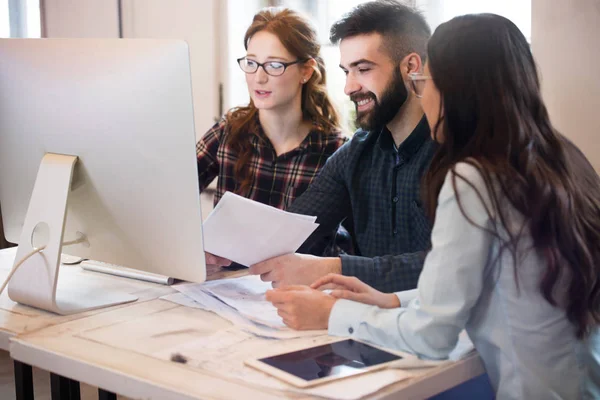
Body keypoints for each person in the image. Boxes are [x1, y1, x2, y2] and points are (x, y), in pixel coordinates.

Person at [266, 13, 600, 399]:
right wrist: (391, 299)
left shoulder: (473, 179)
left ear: (458, 90)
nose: (424, 97)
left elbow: (433, 335)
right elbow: (484, 280)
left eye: (429, 84)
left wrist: (330, 314)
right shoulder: (558, 156)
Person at [249, 0, 436, 292]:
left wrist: (336, 268)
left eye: (362, 69)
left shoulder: (457, 153)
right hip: (364, 323)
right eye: (346, 71)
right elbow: (293, 232)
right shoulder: (355, 154)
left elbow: (451, 269)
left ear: (411, 67)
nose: (349, 87)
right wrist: (223, 254)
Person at [196, 8, 347, 268]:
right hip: (226, 289)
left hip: (302, 293)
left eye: (274, 65)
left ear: (306, 71)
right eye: (251, 63)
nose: (259, 77)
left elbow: (351, 245)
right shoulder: (228, 132)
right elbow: (172, 200)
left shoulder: (337, 149)